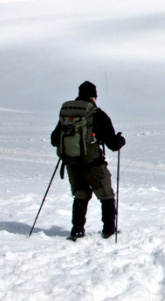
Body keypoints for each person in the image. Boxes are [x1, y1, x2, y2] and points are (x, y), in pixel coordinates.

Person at [51, 81, 125, 240]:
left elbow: (53, 138)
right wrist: (121, 141)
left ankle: (77, 230)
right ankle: (109, 230)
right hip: (93, 163)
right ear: (94, 96)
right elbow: (112, 144)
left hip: (71, 162)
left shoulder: (68, 113)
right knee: (106, 195)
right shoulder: (97, 114)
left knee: (80, 195)